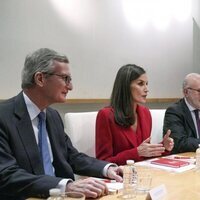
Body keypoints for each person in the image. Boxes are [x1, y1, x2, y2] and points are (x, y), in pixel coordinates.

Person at [0, 48, 123, 200]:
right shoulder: (3, 117)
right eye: (65, 78)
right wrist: (66, 186)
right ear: (40, 79)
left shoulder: (52, 116)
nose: (70, 87)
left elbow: (71, 156)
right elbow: (6, 174)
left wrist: (107, 169)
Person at [95, 64, 174, 165]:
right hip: (119, 177)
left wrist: (164, 147)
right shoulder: (106, 115)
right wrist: (136, 152)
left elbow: (144, 155)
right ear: (125, 86)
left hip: (142, 174)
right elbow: (103, 162)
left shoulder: (145, 113)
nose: (146, 89)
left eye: (147, 84)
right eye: (140, 84)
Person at [163, 73, 200, 154]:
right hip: (185, 159)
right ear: (186, 92)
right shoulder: (174, 111)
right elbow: (179, 143)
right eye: (199, 91)